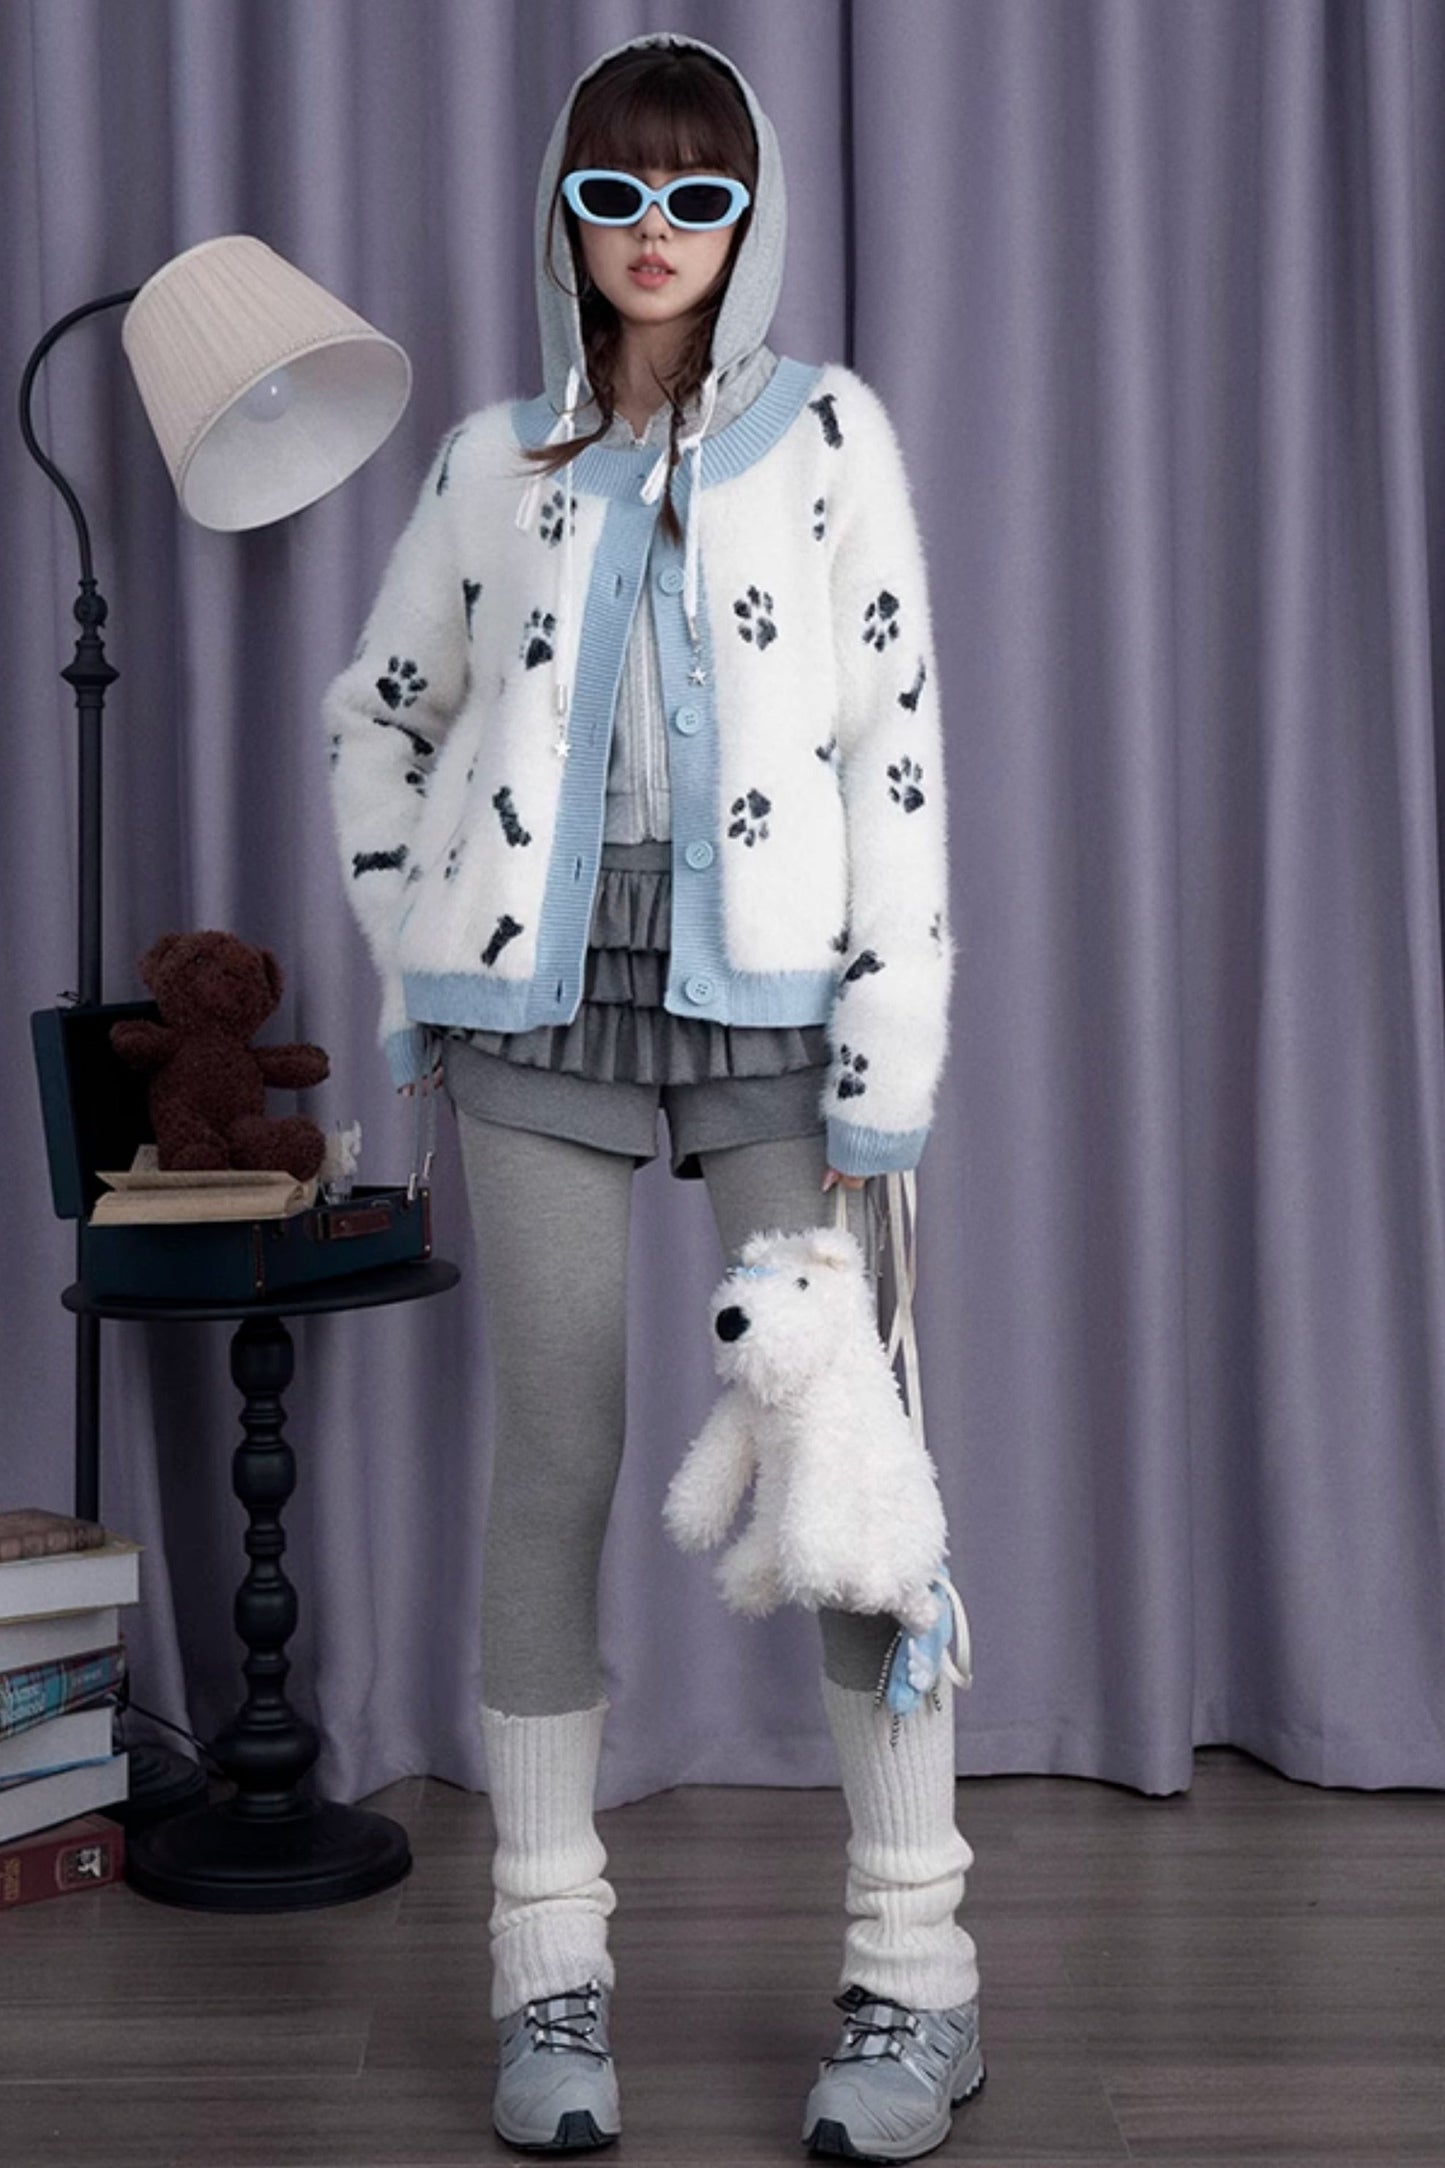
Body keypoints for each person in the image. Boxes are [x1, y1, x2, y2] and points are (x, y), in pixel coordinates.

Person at [321, 29, 982, 2161]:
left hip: (781, 1020)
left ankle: (918, 1980)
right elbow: (377, 717)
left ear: (749, 217)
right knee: (556, 1461)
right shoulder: (488, 464)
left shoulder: (830, 440)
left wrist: (885, 1059)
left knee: (845, 1474)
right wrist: (425, 940)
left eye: (700, 195)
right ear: (565, 212)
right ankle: (548, 1970)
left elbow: (896, 757)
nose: (656, 232)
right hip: (541, 1025)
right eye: (615, 191)